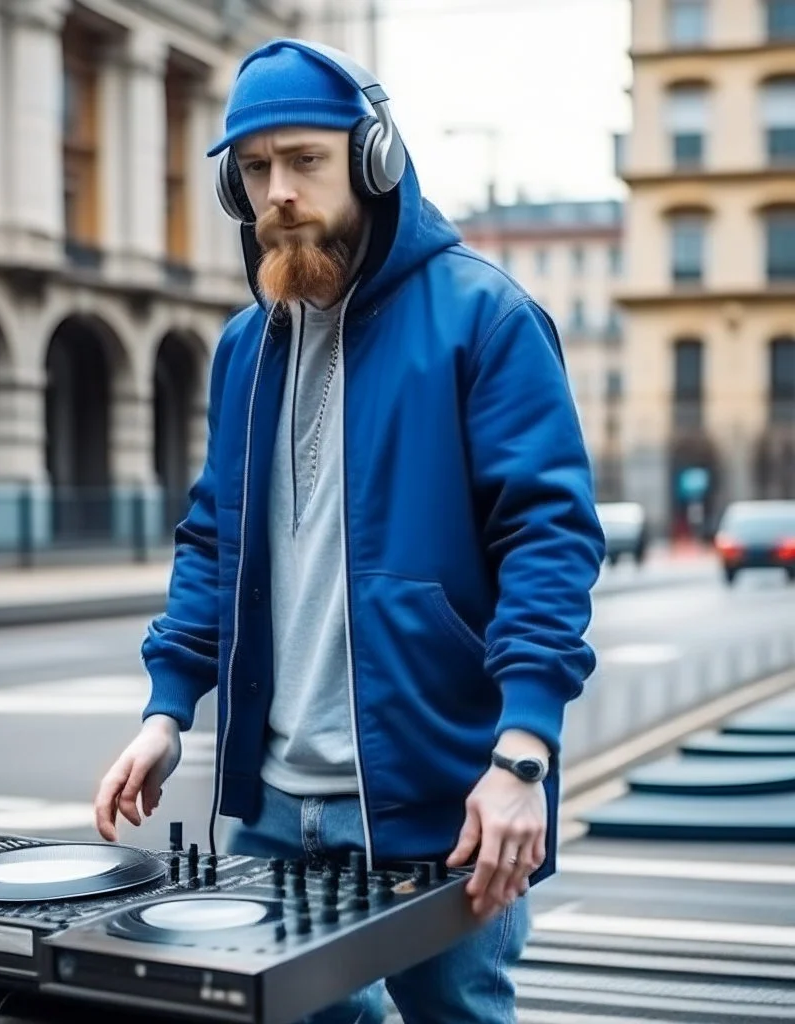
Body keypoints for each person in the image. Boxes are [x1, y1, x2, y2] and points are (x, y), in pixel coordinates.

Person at [95, 37, 605, 1024]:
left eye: (304, 160)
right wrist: (167, 710)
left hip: (447, 798)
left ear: (372, 161)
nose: (278, 190)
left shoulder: (484, 317)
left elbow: (548, 538)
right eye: (254, 170)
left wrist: (521, 759)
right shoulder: (246, 348)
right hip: (273, 807)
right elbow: (214, 539)